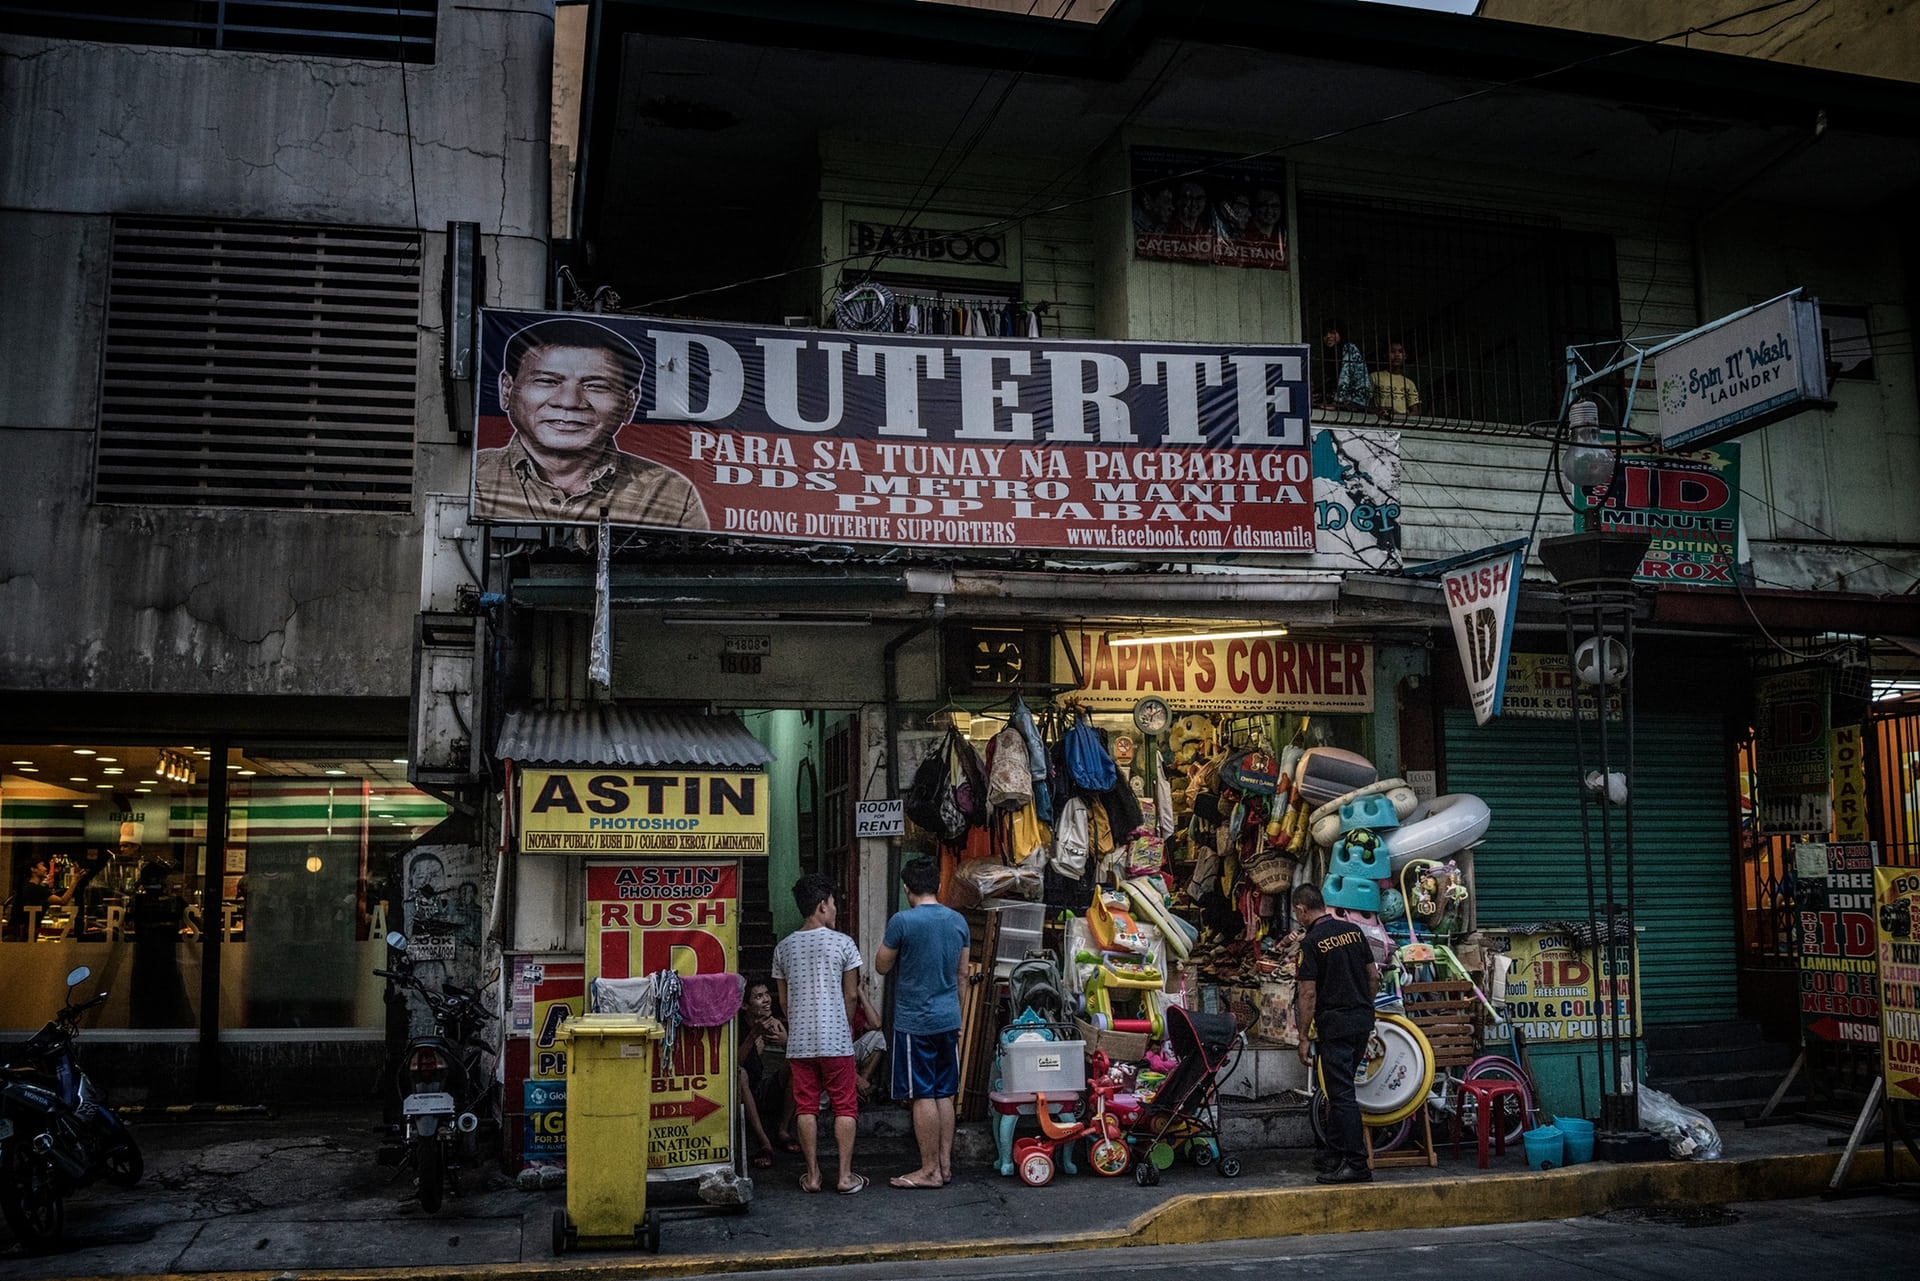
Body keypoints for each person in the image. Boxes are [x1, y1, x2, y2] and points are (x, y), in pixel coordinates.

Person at [472, 317, 709, 529]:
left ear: (629, 403)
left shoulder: (670, 494)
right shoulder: (475, 479)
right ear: (507, 390)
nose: (569, 402)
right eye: (547, 381)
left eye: (596, 386)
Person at [875, 855, 971, 1190]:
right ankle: (944, 1166)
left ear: (906, 889)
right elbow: (962, 974)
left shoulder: (902, 921)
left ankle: (928, 1169)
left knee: (922, 1095)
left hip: (916, 1021)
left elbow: (881, 966)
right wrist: (958, 1016)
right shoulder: (958, 921)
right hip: (948, 1018)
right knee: (945, 1092)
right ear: (938, 884)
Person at [770, 874, 868, 1195]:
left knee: (806, 1107)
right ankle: (844, 1176)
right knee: (844, 1107)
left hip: (800, 1042)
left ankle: (812, 1176)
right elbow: (852, 995)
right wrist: (844, 1024)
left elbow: (783, 1001)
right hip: (836, 1039)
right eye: (833, 903)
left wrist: (797, 1023)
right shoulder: (843, 943)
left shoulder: (783, 948)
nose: (836, 909)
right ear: (822, 905)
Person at [1293, 882, 1379, 1184]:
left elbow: (1307, 994)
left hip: (1335, 1026)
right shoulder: (1355, 931)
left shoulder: (1311, 942)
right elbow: (1373, 977)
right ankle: (1334, 1152)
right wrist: (1364, 1006)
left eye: (1297, 913)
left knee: (1340, 1095)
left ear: (1303, 910)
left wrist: (1303, 1037)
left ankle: (1357, 1163)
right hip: (1360, 1022)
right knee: (1337, 1091)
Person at [737, 977, 787, 1170]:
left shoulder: (777, 1024)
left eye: (767, 994)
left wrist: (786, 1041)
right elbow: (736, 1064)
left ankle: (783, 1130)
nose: (766, 1000)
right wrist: (753, 1035)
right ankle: (764, 1141)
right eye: (758, 996)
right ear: (744, 1005)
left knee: (796, 1065)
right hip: (746, 1091)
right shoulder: (739, 1027)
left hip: (768, 1088)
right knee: (740, 1074)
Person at [5, 854, 72, 941]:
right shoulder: (35, 889)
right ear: (33, 869)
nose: (45, 868)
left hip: (18, 935)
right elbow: (63, 901)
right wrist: (74, 881)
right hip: (22, 936)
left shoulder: (27, 887)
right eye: (42, 865)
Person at [1317, 318, 1371, 412]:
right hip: (1344, 398)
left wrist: (1336, 403)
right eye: (1325, 334)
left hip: (1357, 399)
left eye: (1332, 332)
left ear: (1340, 333)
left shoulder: (1349, 348)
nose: (1328, 336)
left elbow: (1345, 375)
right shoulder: (1331, 353)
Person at [1370, 335, 1422, 418]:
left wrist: (1403, 417)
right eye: (1392, 351)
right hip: (1380, 421)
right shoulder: (1375, 377)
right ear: (1385, 355)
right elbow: (1368, 402)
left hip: (1402, 424)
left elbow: (1415, 410)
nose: (1397, 355)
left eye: (1400, 351)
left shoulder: (1409, 383)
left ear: (1405, 356)